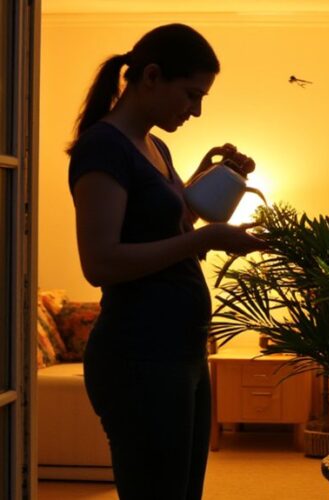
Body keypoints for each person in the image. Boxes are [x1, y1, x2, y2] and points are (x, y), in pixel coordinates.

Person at [66, 23, 266, 499]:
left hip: (180, 353)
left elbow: (172, 224)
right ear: (151, 76)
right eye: (191, 95)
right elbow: (101, 262)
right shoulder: (104, 148)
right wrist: (207, 241)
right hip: (140, 357)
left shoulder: (156, 146)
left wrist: (211, 177)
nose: (196, 110)